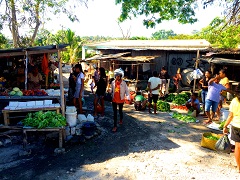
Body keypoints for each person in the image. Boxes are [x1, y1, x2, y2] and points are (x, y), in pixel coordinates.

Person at [222, 83, 240, 173]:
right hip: (236, 126)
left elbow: (230, 116)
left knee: (238, 147)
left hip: (236, 126)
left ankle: (238, 168)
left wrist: (225, 126)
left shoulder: (234, 101)